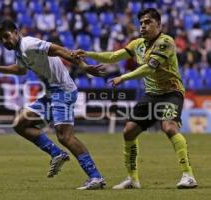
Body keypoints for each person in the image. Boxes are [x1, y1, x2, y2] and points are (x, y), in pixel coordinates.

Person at [73, 8, 198, 189]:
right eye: (141, 23)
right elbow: (113, 56)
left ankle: (188, 175)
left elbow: (149, 68)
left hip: (171, 93)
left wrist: (123, 78)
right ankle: (133, 179)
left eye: (148, 22)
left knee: (169, 127)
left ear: (159, 25)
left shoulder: (166, 42)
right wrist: (88, 54)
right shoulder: (137, 44)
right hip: (151, 94)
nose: (143, 26)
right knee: (128, 132)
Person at [0, 19, 106, 190]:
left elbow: (58, 50)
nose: (4, 41)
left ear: (16, 32)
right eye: (1, 39)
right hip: (52, 93)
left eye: (6, 36)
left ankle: (96, 177)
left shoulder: (29, 44)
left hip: (63, 91)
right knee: (20, 123)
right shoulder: (20, 51)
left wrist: (84, 67)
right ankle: (56, 153)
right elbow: (20, 70)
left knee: (65, 136)